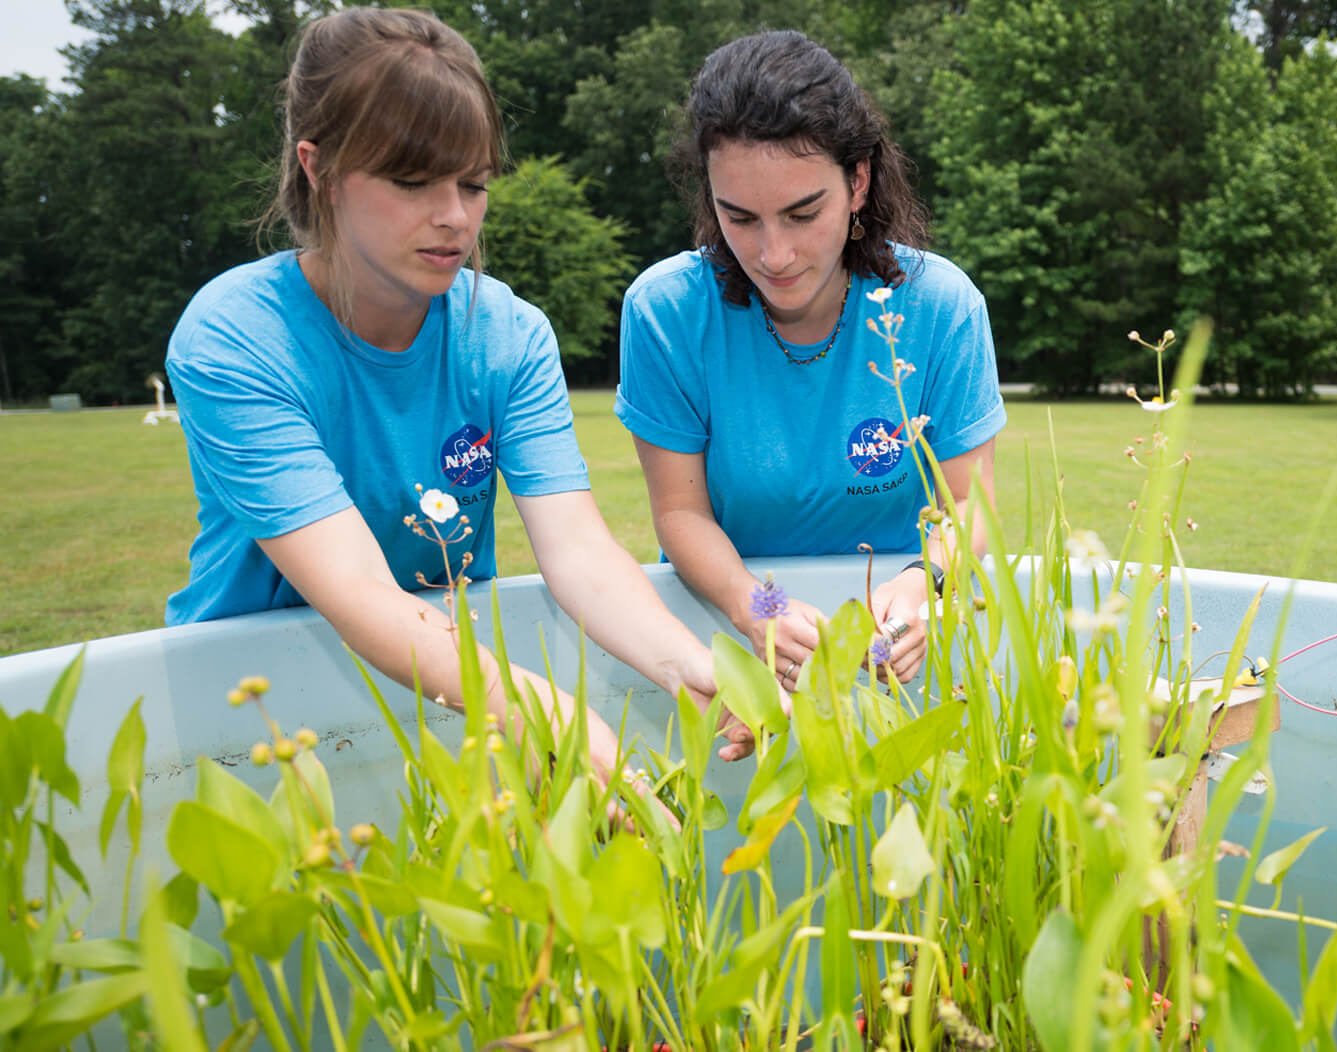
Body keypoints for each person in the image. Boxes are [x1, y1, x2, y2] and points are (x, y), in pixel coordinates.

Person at [164, 6, 750, 782]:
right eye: (411, 182)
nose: (453, 218)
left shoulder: (507, 335)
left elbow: (577, 552)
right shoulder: (236, 340)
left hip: (461, 696)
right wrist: (549, 712)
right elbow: (359, 590)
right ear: (320, 169)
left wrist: (692, 669)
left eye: (472, 184)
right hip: (254, 720)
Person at [616, 29, 1006, 689]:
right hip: (727, 640)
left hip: (899, 651)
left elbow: (968, 503)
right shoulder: (666, 312)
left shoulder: (944, 308)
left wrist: (922, 589)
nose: (773, 255)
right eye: (739, 217)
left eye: (802, 214)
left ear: (857, 182)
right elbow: (680, 513)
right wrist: (756, 606)